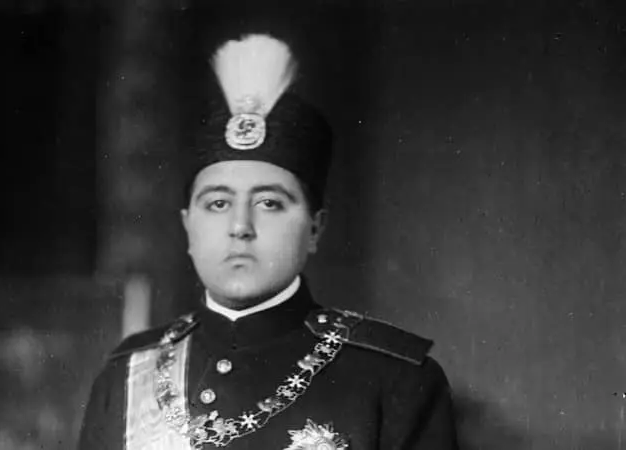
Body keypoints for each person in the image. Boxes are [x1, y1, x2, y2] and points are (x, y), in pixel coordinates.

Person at [78, 33, 459, 450]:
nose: (240, 226)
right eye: (218, 203)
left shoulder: (396, 381)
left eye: (270, 204)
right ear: (188, 226)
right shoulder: (125, 375)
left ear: (315, 228)